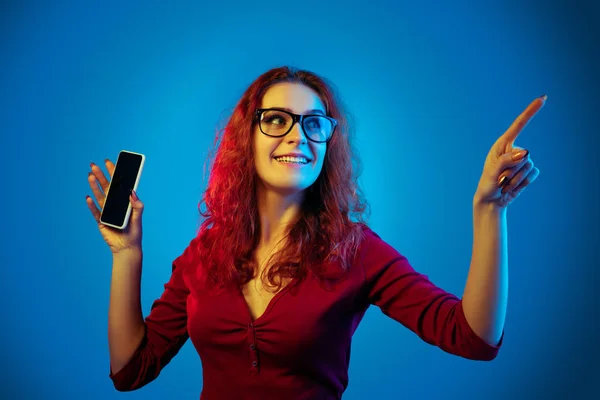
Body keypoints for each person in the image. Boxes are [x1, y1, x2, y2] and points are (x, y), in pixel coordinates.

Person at [85, 66, 544, 399]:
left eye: (313, 123)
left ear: (327, 142)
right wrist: (126, 256)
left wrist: (488, 211)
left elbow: (473, 338)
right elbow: (131, 371)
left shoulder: (357, 251)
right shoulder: (205, 252)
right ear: (247, 136)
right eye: (277, 119)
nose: (298, 135)